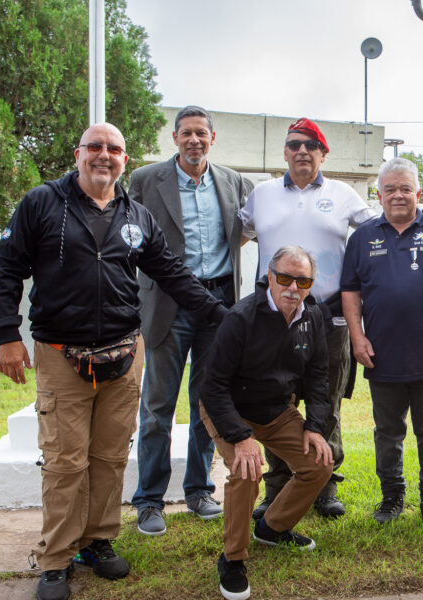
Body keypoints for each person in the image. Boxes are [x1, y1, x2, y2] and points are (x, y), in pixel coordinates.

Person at [0, 123, 227, 600]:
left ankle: (97, 541)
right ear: (78, 154)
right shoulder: (41, 203)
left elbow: (171, 273)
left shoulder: (135, 213)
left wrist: (224, 316)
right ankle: (56, 559)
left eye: (114, 149)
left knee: (110, 456)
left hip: (123, 354)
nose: (104, 156)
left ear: (124, 160)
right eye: (95, 147)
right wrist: (6, 335)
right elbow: (8, 267)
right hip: (61, 354)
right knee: (64, 462)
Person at [239, 117, 423, 519]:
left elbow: (388, 222)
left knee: (326, 398)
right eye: (294, 144)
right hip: (272, 317)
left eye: (311, 145)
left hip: (326, 317)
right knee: (274, 402)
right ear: (284, 152)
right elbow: (237, 233)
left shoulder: (344, 195)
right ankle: (277, 487)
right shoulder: (261, 194)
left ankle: (325, 484)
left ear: (323, 154)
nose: (302, 151)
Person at [129, 105, 255, 535]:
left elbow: (262, 223)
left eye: (202, 133)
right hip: (167, 302)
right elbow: (126, 241)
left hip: (219, 304)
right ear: (175, 137)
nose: (194, 140)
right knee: (158, 404)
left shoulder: (234, 182)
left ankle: (199, 490)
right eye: (186, 133)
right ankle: (148, 500)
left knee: (208, 401)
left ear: (212, 138)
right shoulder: (146, 180)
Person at [340, 158, 423, 529]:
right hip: (381, 355)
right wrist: (357, 335)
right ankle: (391, 497)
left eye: (405, 189)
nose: (398, 195)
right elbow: (350, 291)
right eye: (390, 189)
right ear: (378, 195)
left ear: (418, 193)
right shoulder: (362, 237)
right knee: (388, 432)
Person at [199, 245, 334, 600]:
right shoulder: (240, 317)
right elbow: (212, 386)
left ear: (311, 283)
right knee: (247, 471)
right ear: (270, 277)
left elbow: (319, 376)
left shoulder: (313, 316)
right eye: (286, 278)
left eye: (302, 280)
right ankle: (232, 558)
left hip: (276, 410)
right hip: (228, 408)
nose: (293, 287)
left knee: (320, 462)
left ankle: (272, 528)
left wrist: (315, 426)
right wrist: (241, 437)